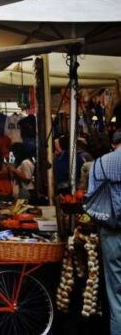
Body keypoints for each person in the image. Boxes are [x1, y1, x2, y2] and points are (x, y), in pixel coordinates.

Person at [87, 130, 121, 335]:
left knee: (116, 295)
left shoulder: (99, 164)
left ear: (113, 144)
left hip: (111, 232)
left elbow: (90, 197)